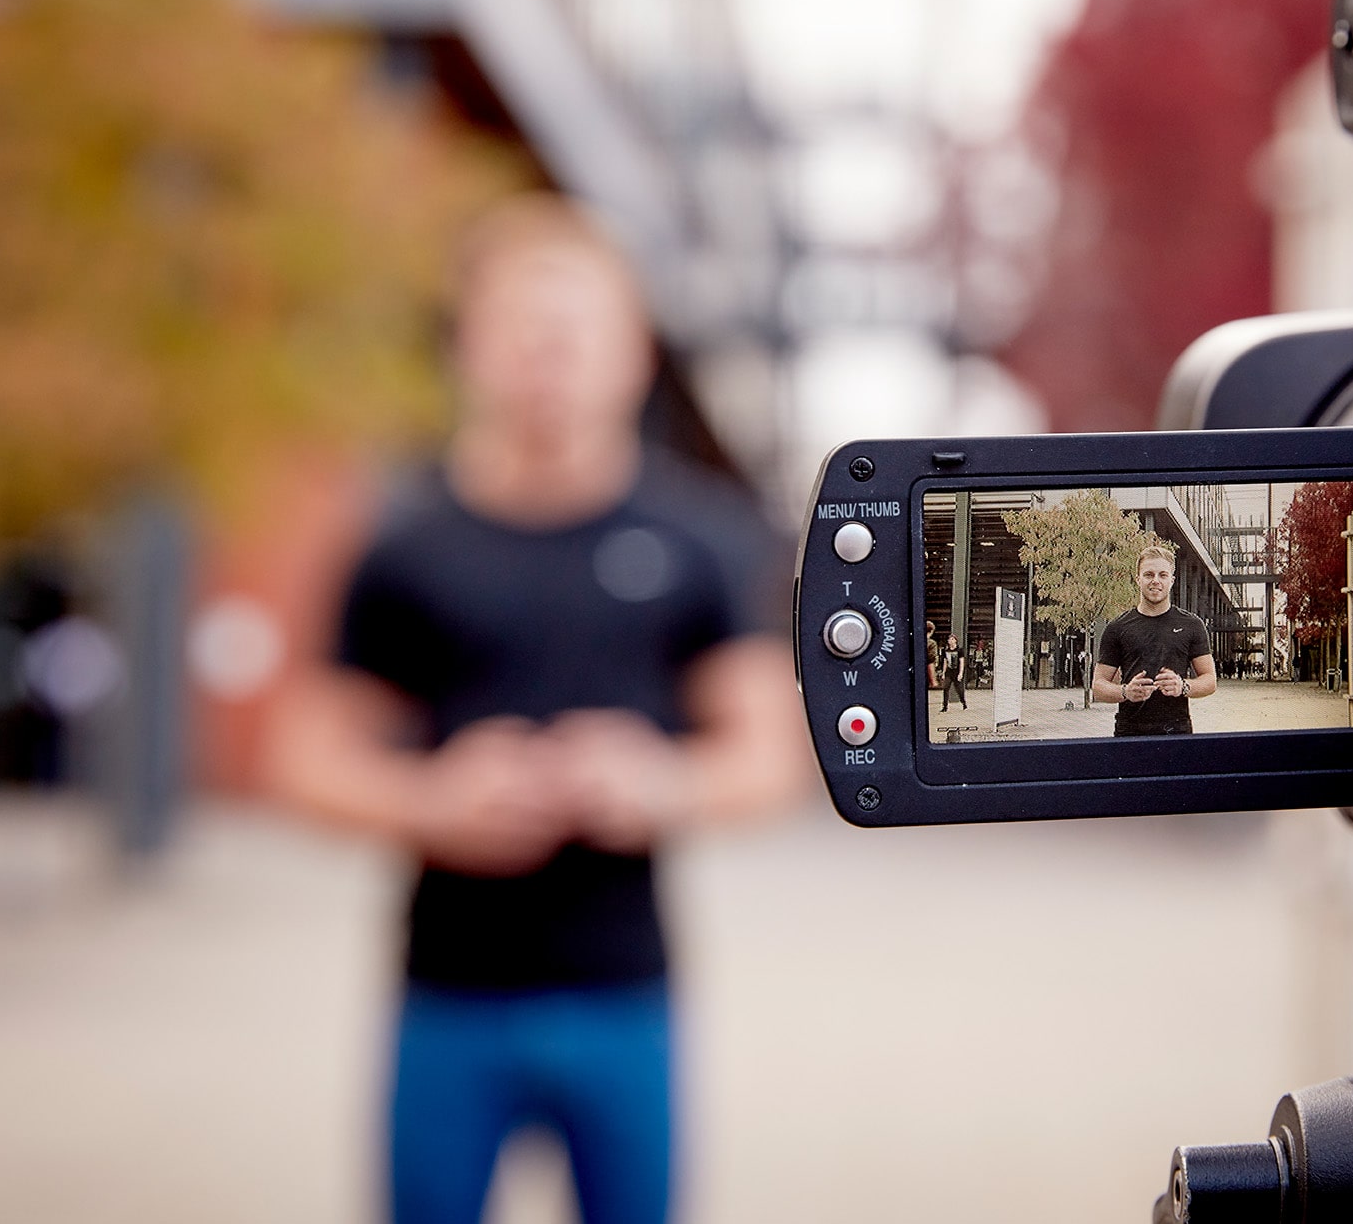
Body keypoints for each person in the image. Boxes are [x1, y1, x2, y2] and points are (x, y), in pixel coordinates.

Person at [265, 194, 811, 1224]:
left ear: (629, 354)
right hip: (445, 997)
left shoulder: (699, 543)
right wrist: (431, 801)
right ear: (470, 347)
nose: (547, 356)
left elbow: (765, 761)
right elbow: (304, 757)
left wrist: (657, 782)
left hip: (626, 997)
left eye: (574, 331)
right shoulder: (405, 547)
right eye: (523, 329)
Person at [1092, 544, 1217, 736]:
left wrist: (1182, 686)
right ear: (1138, 579)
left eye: (1162, 575)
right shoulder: (1117, 627)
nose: (1155, 581)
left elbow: (1209, 681)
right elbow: (1099, 686)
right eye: (1149, 575)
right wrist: (1125, 692)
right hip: (1130, 730)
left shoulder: (1192, 625)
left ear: (1172, 580)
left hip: (1176, 730)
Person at [940, 632, 968, 711]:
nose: (951, 641)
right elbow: (945, 662)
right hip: (949, 671)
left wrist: (960, 673)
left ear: (955, 641)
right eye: (949, 639)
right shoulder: (945, 651)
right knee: (946, 688)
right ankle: (945, 706)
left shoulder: (959, 650)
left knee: (959, 689)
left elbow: (962, 662)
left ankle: (963, 702)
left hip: (956, 671)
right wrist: (943, 673)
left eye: (952, 639)